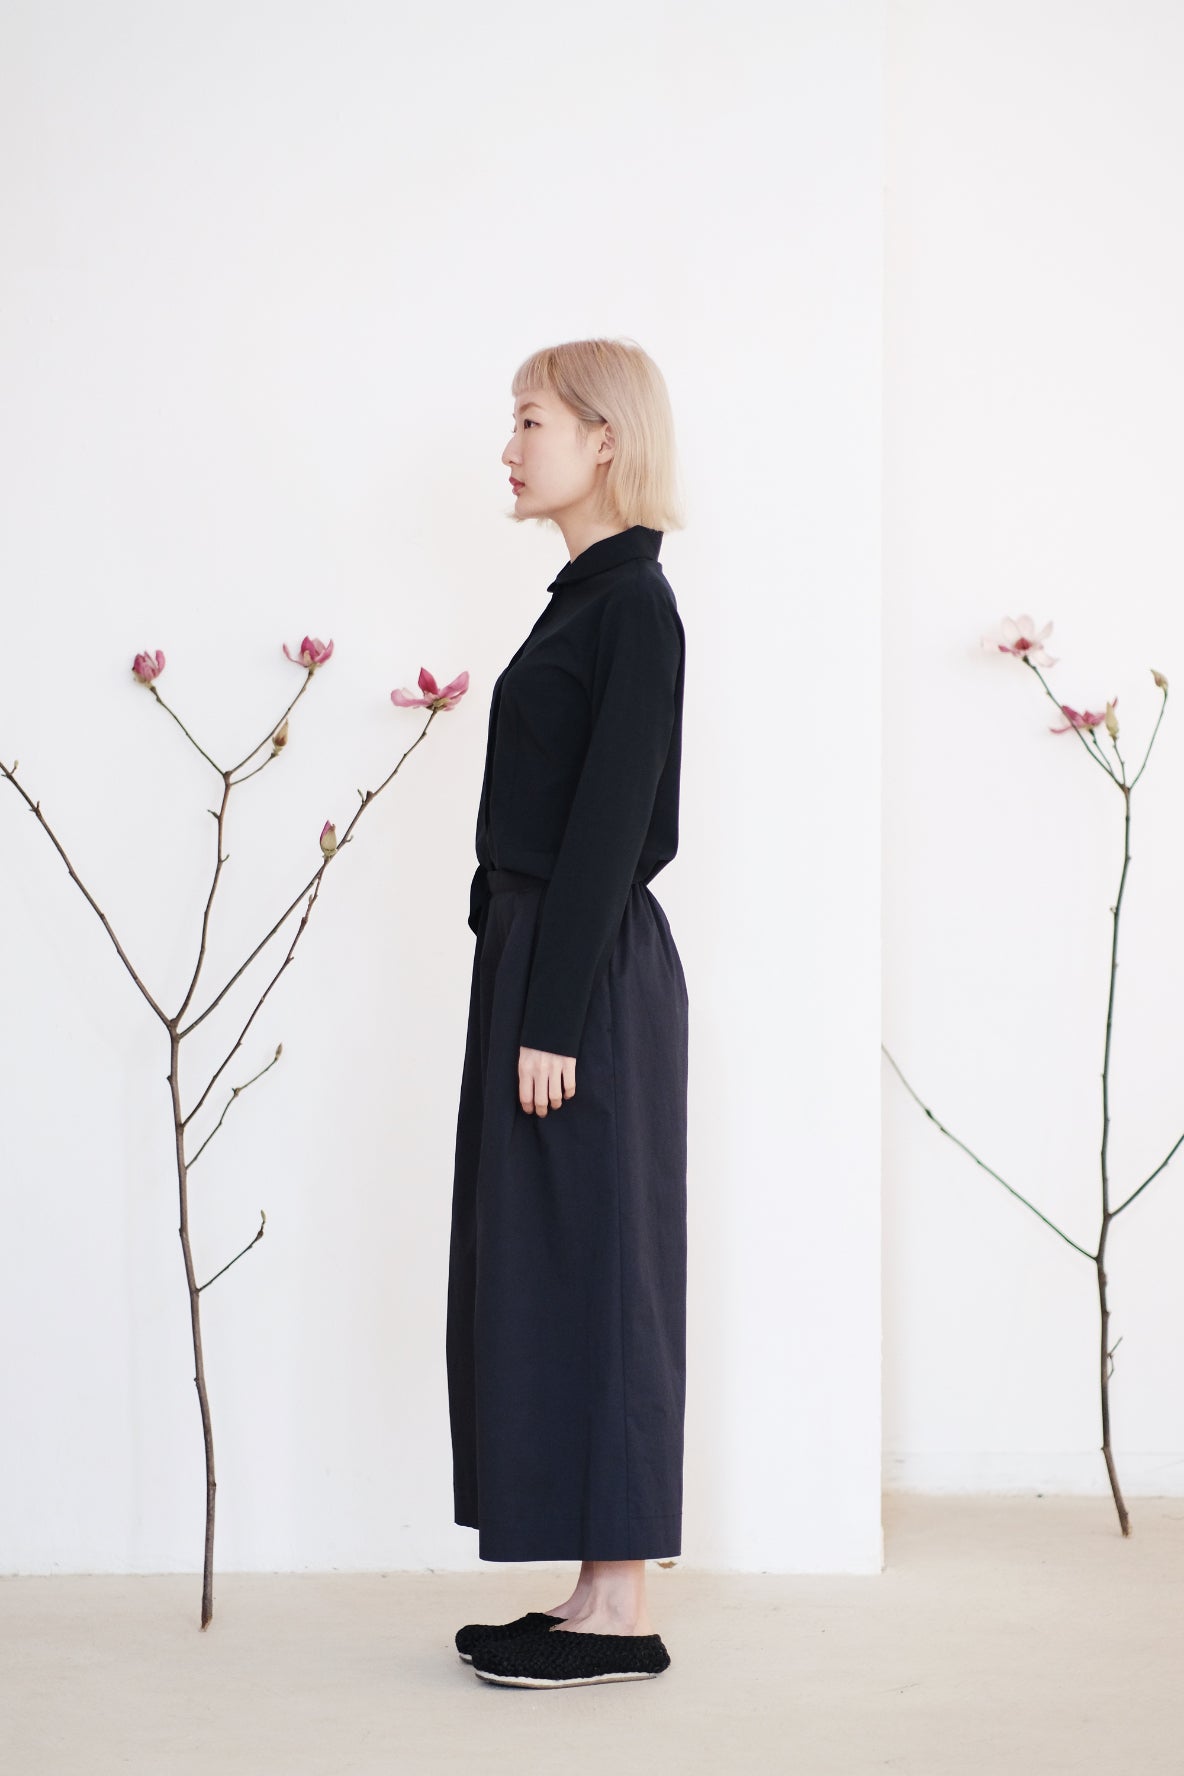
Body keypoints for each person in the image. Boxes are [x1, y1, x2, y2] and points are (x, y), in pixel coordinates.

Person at [446, 337, 689, 1689]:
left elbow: (613, 825)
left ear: (604, 438)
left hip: (581, 972)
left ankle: (625, 1612)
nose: (509, 447)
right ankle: (597, 1595)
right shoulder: (587, 600)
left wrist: (553, 1012)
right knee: (557, 1259)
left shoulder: (634, 604)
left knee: (603, 1265)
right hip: (546, 957)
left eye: (529, 420)